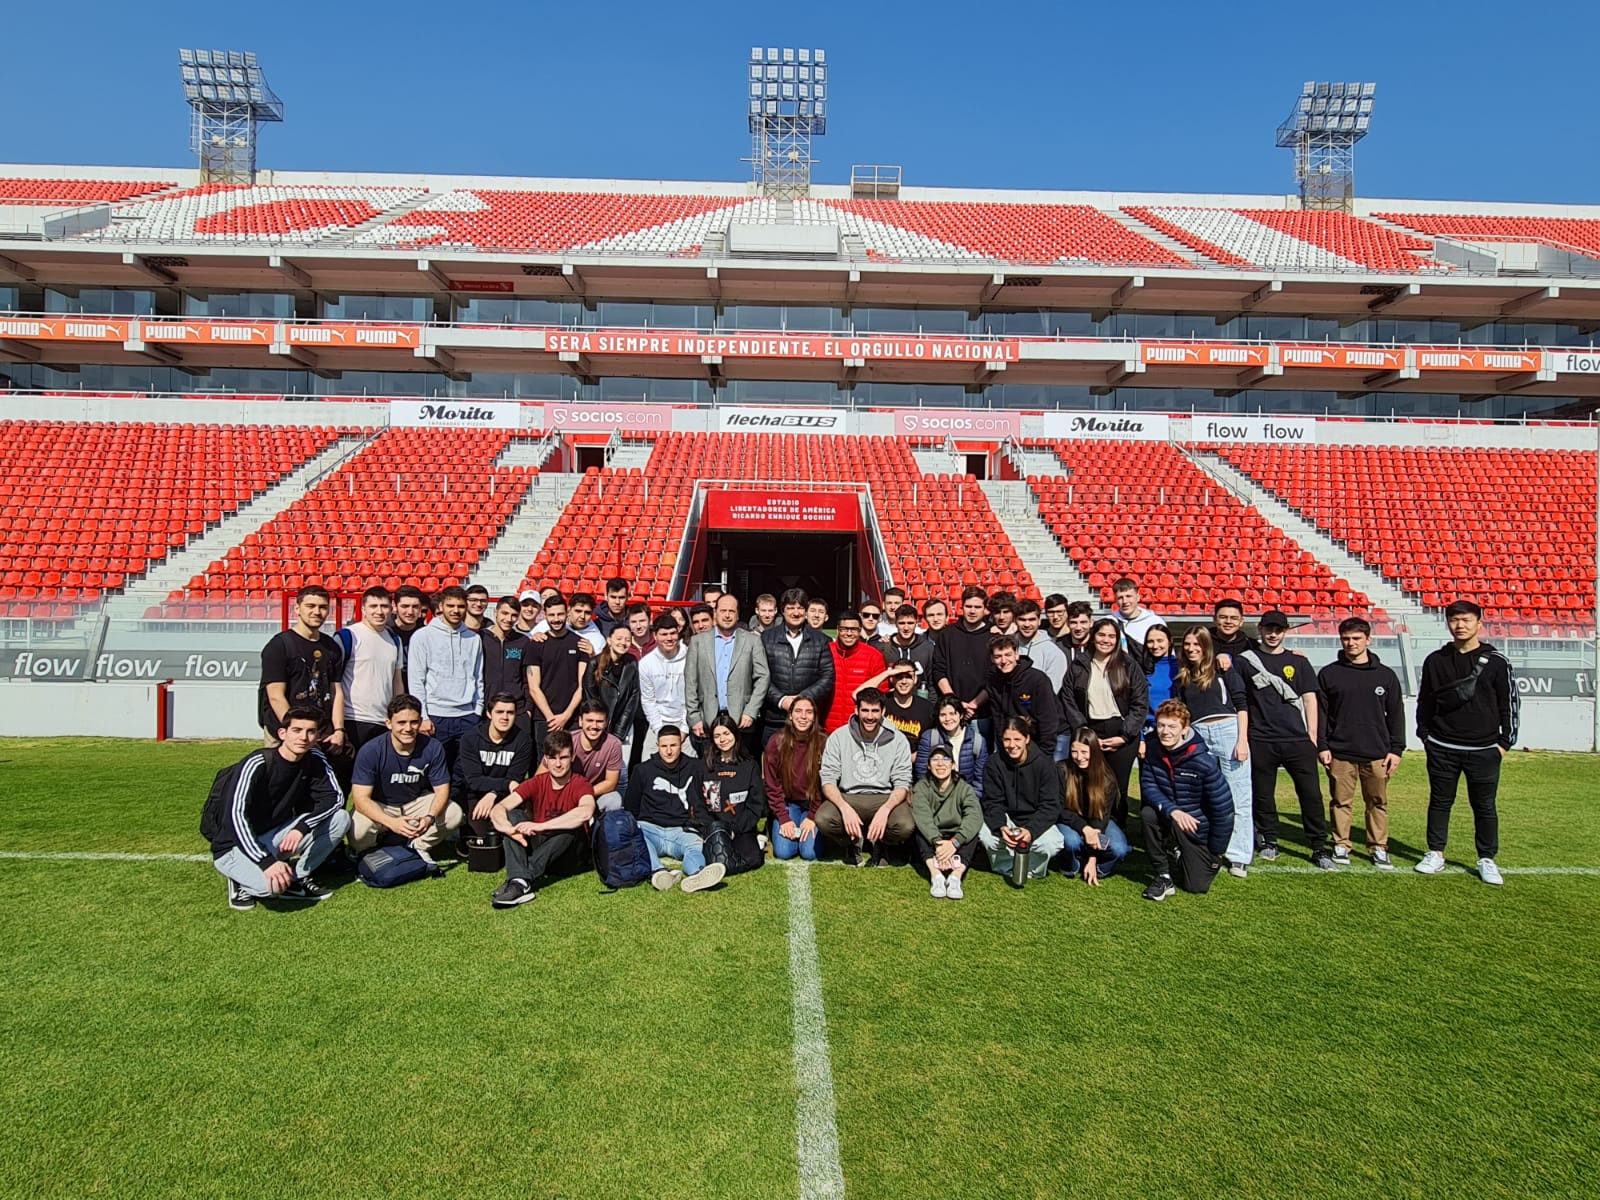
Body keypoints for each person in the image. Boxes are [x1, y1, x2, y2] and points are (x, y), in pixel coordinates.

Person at [1415, 599, 1518, 885]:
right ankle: (1435, 853)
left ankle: (1486, 858)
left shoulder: (1497, 662)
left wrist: (1504, 743)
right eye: (1454, 620)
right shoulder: (1435, 660)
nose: (1460, 625)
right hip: (1442, 747)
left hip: (1484, 749)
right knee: (1440, 802)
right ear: (1448, 623)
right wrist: (1425, 735)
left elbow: (1509, 703)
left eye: (1466, 620)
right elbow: (1426, 700)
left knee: (1484, 805)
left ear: (1478, 624)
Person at [209, 706, 351, 911]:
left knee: (341, 818)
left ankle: (297, 877)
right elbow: (234, 817)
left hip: (274, 836)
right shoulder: (257, 762)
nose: (303, 737)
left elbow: (334, 798)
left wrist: (301, 827)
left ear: (317, 736)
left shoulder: (314, 758)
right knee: (272, 888)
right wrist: (266, 862)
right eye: (297, 730)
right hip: (234, 845)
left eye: (310, 731)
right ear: (282, 733)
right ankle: (238, 879)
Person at [1238, 610, 1334, 871]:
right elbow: (1241, 701)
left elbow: (1310, 699)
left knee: (1311, 794)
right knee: (1263, 794)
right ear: (1260, 629)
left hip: (1297, 739)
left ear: (1286, 631)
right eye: (1268, 629)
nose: (1273, 634)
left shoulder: (1298, 662)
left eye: (1278, 630)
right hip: (1261, 738)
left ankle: (1319, 845)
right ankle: (1269, 840)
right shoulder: (1245, 661)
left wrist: (1312, 736)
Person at [1317, 617, 1405, 870]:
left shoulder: (1385, 675)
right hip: (1340, 752)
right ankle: (1341, 844)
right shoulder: (1329, 674)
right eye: (1346, 638)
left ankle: (1378, 847)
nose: (1351, 643)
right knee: (1340, 801)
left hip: (1377, 753)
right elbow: (1322, 714)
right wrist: (1322, 746)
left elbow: (1396, 714)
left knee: (1377, 802)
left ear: (1368, 640)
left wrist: (1396, 749)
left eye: (1356, 638)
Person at [1172, 626, 1252, 878]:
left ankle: (1239, 855)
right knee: (1203, 796)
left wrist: (1242, 740)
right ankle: (1206, 848)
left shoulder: (1223, 669)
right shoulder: (1182, 678)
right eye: (1187, 644)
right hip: (1198, 735)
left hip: (1228, 731)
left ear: (1206, 646)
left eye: (1197, 644)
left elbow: (1241, 704)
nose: (1191, 649)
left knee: (1238, 795)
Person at [489, 729, 596, 908]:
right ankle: (519, 880)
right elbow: (499, 808)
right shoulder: (538, 781)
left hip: (567, 855)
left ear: (572, 757)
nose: (558, 764)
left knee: (572, 828)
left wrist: (540, 826)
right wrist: (508, 829)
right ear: (545, 759)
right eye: (553, 758)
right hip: (541, 847)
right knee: (513, 815)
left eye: (563, 758)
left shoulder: (580, 783)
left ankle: (519, 880)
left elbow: (585, 812)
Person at [1139, 700, 1234, 901]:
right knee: (1148, 814)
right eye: (1161, 725)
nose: (1165, 732)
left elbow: (1223, 809)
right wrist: (1173, 810)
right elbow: (1148, 786)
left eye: (1172, 726)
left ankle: (1181, 851)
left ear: (1184, 729)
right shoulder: (1153, 750)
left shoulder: (1204, 762)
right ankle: (1163, 876)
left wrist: (1216, 851)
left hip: (1196, 827)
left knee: (1196, 886)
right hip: (1171, 816)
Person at [348, 693, 462, 861]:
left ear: (420, 721)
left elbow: (442, 790)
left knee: (454, 813)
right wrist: (391, 822)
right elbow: (360, 799)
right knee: (358, 829)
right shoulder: (371, 750)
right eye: (401, 722)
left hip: (414, 802)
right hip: (382, 805)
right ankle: (370, 853)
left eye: (413, 722)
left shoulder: (433, 747)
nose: (408, 728)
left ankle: (418, 846)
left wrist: (429, 818)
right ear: (389, 723)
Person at [1059, 618, 1148, 818]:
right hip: (1090, 730)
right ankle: (1091, 826)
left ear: (1117, 640)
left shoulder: (1128, 665)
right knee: (1090, 782)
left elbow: (1140, 702)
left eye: (1111, 636)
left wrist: (1125, 736)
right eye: (1101, 635)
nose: (1106, 640)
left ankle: (1118, 829)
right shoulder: (1079, 664)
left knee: (1118, 787)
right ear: (1093, 636)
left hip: (1122, 732)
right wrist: (1084, 732)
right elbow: (1069, 699)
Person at [817, 688, 915, 865]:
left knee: (905, 825)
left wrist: (886, 810)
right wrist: (844, 808)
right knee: (823, 819)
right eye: (865, 710)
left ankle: (882, 843)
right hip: (849, 796)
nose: (870, 716)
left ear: (883, 711)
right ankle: (852, 842)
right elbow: (828, 779)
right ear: (856, 710)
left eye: (875, 711)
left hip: (884, 796)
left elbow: (902, 782)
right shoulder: (839, 737)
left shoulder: (898, 739)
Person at [623, 726, 725, 893]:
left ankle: (698, 873)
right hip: (651, 829)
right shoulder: (642, 770)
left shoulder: (696, 767)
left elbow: (711, 799)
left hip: (682, 830)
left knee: (695, 847)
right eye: (664, 746)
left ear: (681, 744)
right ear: (657, 745)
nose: (669, 751)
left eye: (673, 745)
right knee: (637, 836)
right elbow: (631, 807)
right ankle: (658, 872)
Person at [258, 584, 346, 754]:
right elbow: (275, 696)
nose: (317, 612)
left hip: (320, 733)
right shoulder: (279, 645)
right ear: (297, 609)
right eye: (310, 606)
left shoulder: (331, 647)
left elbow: (336, 692)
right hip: (283, 732)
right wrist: (297, 732)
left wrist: (338, 730)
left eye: (322, 607)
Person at [978, 717, 1065, 884]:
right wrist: (1001, 827)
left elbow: (1051, 805)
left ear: (1027, 739)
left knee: (1052, 843)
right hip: (1007, 818)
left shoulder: (1044, 764)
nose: (1012, 745)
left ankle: (1033, 869)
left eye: (1017, 739)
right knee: (986, 835)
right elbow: (992, 802)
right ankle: (1005, 866)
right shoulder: (994, 763)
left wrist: (1031, 830)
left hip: (1034, 818)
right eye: (1007, 740)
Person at [408, 585, 485, 771]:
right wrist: (423, 716)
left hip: (467, 717)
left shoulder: (473, 639)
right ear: (441, 606)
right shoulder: (422, 636)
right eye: (451, 605)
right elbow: (416, 680)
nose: (456, 610)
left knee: (464, 773)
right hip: (435, 717)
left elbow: (478, 678)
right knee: (433, 772)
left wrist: (477, 711)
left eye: (460, 606)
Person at [685, 593, 771, 757]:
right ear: (715, 613)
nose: (727, 615)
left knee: (741, 766)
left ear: (738, 614)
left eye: (731, 611)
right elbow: (690, 682)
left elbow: (763, 677)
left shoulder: (752, 641)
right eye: (723, 611)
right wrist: (694, 717)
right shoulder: (698, 642)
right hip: (707, 719)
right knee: (709, 767)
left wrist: (751, 711)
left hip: (741, 720)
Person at [760, 587, 836, 749]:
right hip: (775, 718)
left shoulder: (821, 640)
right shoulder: (766, 638)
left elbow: (827, 676)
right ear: (782, 610)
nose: (796, 613)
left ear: (806, 611)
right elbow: (760, 675)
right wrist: (782, 700)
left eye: (800, 608)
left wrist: (802, 702)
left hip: (807, 719)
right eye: (790, 608)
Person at [455, 693, 535, 844]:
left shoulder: (523, 740)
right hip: (476, 795)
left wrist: (493, 793)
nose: (505, 717)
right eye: (499, 712)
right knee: (480, 840)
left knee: (512, 835)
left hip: (506, 796)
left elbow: (515, 779)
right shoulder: (470, 738)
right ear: (489, 713)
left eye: (510, 713)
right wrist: (505, 784)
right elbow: (474, 780)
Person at [1056, 727, 1129, 885]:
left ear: (1094, 752)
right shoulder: (1061, 769)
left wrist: (1092, 858)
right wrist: (1085, 829)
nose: (1079, 757)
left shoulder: (1107, 779)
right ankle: (1070, 866)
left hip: (1098, 821)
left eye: (1084, 752)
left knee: (1119, 849)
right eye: (1074, 751)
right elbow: (1058, 808)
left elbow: (1101, 818)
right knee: (1071, 842)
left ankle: (1098, 869)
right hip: (1070, 819)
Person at [911, 745, 982, 900]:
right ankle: (936, 875)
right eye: (935, 759)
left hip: (955, 835)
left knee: (972, 833)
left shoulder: (964, 788)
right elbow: (923, 817)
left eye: (945, 759)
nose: (940, 763)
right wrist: (938, 844)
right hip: (934, 835)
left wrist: (954, 843)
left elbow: (974, 816)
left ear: (953, 765)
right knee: (920, 831)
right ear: (928, 765)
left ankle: (955, 877)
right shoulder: (922, 787)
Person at [337, 585, 403, 751]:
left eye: (384, 606)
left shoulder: (395, 640)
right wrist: (338, 726)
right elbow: (334, 682)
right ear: (363, 609)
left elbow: (397, 681)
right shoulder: (348, 636)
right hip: (353, 719)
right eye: (373, 606)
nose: (379, 611)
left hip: (383, 720)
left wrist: (398, 714)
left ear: (391, 609)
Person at [700, 712, 767, 874]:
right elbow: (699, 803)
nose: (722, 739)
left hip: (741, 828)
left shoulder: (749, 766)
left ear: (735, 735)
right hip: (715, 829)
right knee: (712, 860)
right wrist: (716, 829)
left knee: (754, 859)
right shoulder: (705, 767)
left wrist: (736, 829)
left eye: (726, 733)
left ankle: (755, 842)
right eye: (717, 736)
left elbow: (756, 805)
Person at [764, 696, 826, 861]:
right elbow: (772, 785)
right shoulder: (776, 742)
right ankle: (776, 824)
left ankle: (816, 832)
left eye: (809, 712)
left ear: (814, 716)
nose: (803, 717)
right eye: (798, 711)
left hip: (814, 804)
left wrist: (812, 817)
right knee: (784, 852)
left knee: (809, 853)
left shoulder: (823, 742)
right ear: (790, 715)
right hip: (788, 804)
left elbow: (826, 784)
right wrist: (784, 819)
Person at [527, 592, 589, 752]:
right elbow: (533, 687)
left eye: (560, 614)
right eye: (552, 615)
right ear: (545, 615)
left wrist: (566, 715)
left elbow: (583, 685)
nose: (556, 619)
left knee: (572, 760)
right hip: (544, 718)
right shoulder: (536, 644)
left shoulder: (580, 644)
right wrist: (550, 718)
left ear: (567, 613)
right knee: (544, 762)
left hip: (572, 718)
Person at [980, 634, 1062, 754]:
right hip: (1014, 741)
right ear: (992, 659)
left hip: (1045, 738)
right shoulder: (993, 682)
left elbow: (1048, 719)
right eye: (998, 656)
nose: (1004, 661)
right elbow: (998, 719)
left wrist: (1045, 753)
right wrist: (1004, 745)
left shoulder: (1037, 680)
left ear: (1016, 654)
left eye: (1008, 655)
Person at [933, 586, 994, 735]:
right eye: (968, 606)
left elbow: (995, 676)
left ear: (985, 609)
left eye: (977, 607)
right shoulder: (947, 634)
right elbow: (938, 670)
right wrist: (955, 702)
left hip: (982, 714)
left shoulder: (993, 636)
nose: (972, 611)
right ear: (961, 607)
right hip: (950, 712)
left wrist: (974, 704)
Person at [582, 623, 642, 775]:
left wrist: (619, 732)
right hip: (598, 725)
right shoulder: (594, 663)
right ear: (609, 640)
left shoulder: (632, 662)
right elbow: (590, 698)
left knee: (621, 772)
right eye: (619, 638)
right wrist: (601, 726)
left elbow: (633, 697)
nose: (623, 643)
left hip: (624, 724)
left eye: (627, 639)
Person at [915, 695, 990, 802]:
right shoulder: (930, 738)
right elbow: (921, 774)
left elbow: (980, 780)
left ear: (961, 715)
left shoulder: (977, 741)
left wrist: (969, 801)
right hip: (935, 797)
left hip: (965, 797)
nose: (948, 719)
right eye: (943, 715)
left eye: (952, 714)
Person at [822, 610, 886, 734]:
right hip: (826, 728)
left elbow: (881, 695)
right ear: (837, 630)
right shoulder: (825, 652)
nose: (849, 633)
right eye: (844, 629)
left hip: (859, 729)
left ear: (860, 630)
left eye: (854, 629)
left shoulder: (873, 656)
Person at [638, 612, 693, 755]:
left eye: (672, 633)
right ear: (655, 636)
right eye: (664, 634)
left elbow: (694, 696)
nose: (669, 638)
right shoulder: (646, 663)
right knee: (648, 762)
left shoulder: (691, 657)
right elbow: (648, 700)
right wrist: (659, 730)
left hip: (686, 723)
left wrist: (684, 730)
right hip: (658, 723)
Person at [480, 596, 534, 730]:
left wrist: (528, 709)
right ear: (495, 612)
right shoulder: (480, 638)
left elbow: (527, 679)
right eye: (504, 613)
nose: (509, 619)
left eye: (514, 615)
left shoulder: (523, 642)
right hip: (487, 709)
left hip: (517, 710)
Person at [566, 700, 624, 812]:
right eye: (590, 720)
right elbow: (542, 774)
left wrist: (583, 794)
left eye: (599, 721)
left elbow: (611, 783)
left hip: (594, 793)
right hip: (565, 793)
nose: (594, 726)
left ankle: (599, 822)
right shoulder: (567, 741)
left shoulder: (613, 744)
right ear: (580, 721)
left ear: (606, 723)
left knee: (614, 799)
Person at [873, 661, 936, 751]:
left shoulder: (927, 708)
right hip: (886, 756)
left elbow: (932, 741)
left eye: (908, 676)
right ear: (892, 679)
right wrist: (887, 673)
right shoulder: (883, 702)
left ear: (915, 679)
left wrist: (917, 755)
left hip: (915, 758)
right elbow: (857, 695)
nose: (904, 681)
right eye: (899, 676)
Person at [1013, 599, 1068, 693]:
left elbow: (1051, 690)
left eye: (1031, 619)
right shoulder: (1007, 645)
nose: (1027, 624)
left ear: (1039, 621)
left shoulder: (1053, 653)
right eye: (1022, 620)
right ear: (1015, 621)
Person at [1108, 577, 1164, 667]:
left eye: (1128, 596)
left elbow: (1167, 653)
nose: (1125, 601)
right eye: (1120, 598)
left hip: (1149, 671)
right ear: (1115, 600)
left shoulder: (1154, 621)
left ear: (1138, 597)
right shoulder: (1109, 622)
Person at [879, 603, 936, 684]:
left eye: (910, 623)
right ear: (895, 623)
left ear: (916, 622)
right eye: (902, 623)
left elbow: (932, 682)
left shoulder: (928, 648)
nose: (906, 628)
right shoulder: (883, 648)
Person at [388, 584, 429, 690]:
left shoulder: (427, 635)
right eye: (405, 606)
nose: (410, 612)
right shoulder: (384, 632)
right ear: (394, 606)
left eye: (415, 607)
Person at [1142, 625, 1179, 731]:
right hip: (1149, 729)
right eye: (1150, 641)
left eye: (1160, 641)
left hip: (1177, 726)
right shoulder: (1140, 668)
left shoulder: (1181, 666)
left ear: (1170, 641)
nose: (1155, 646)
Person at [1209, 597, 1256, 671]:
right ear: (1214, 619)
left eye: (1234, 618)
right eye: (1223, 617)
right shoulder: (1201, 642)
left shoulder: (1252, 645)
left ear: (1241, 622)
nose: (1228, 621)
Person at [1059, 600, 1095, 666]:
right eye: (1074, 622)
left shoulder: (1097, 647)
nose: (1078, 628)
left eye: (1083, 622)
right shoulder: (1058, 647)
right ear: (1067, 623)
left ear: (1091, 623)